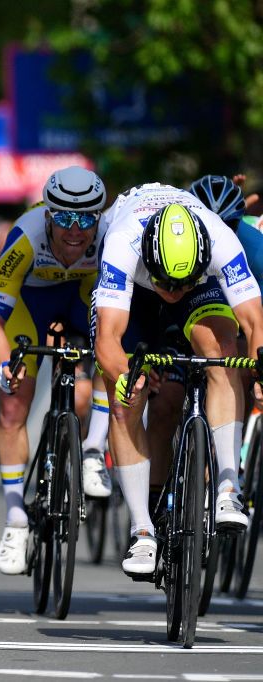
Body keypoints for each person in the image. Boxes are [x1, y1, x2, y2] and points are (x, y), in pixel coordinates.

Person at [94, 183, 263, 578]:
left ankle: (226, 490)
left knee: (220, 353)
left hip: (197, 283)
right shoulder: (121, 244)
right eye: (167, 284)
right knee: (125, 399)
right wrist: (126, 377)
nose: (174, 292)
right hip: (135, 290)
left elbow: (255, 321)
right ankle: (141, 530)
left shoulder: (219, 239)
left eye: (182, 284)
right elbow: (107, 340)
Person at [0, 166, 112, 575]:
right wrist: (6, 367)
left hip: (81, 299)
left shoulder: (110, 240)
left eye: (87, 219)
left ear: (100, 218)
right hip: (30, 306)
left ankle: (91, 450)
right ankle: (15, 518)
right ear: (48, 215)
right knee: (12, 406)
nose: (75, 231)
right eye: (65, 218)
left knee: (106, 364)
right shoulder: (24, 239)